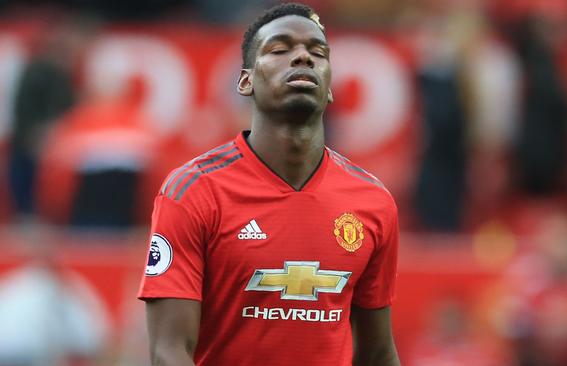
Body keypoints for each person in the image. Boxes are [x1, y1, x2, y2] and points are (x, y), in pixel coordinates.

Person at [137, 3, 400, 366]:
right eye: (280, 49)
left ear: (330, 88)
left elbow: (378, 353)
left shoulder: (373, 202)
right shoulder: (193, 190)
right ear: (245, 81)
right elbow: (168, 351)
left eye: (317, 53)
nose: (303, 58)